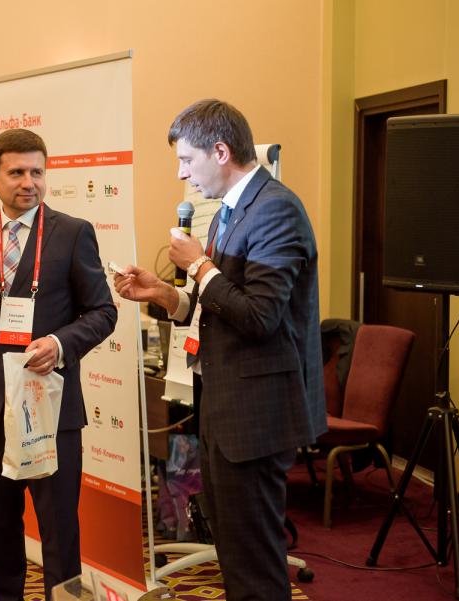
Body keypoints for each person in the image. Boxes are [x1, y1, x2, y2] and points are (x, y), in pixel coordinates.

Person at [114, 99, 326, 601]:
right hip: (224, 409)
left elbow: (260, 316)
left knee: (254, 564)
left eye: (187, 160)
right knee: (234, 554)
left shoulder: (275, 209)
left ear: (221, 151)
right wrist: (165, 295)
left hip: (257, 417)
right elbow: (217, 308)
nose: (182, 174)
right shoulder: (228, 212)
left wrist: (200, 266)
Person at [0, 128, 116, 600]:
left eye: (37, 171)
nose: (28, 182)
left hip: (49, 409)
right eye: (16, 172)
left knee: (60, 535)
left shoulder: (72, 233)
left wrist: (59, 343)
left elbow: (103, 312)